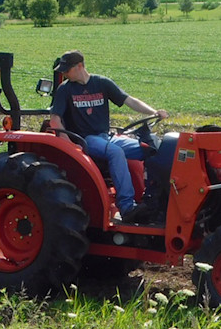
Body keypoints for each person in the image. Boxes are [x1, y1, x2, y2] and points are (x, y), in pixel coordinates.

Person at [49, 50, 168, 223]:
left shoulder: (101, 83)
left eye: (67, 69)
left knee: (151, 150)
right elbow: (55, 120)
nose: (64, 73)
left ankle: (155, 201)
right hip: (86, 139)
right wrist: (69, 145)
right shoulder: (65, 89)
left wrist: (154, 112)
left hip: (106, 136)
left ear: (80, 66)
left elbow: (129, 100)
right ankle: (127, 207)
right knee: (116, 152)